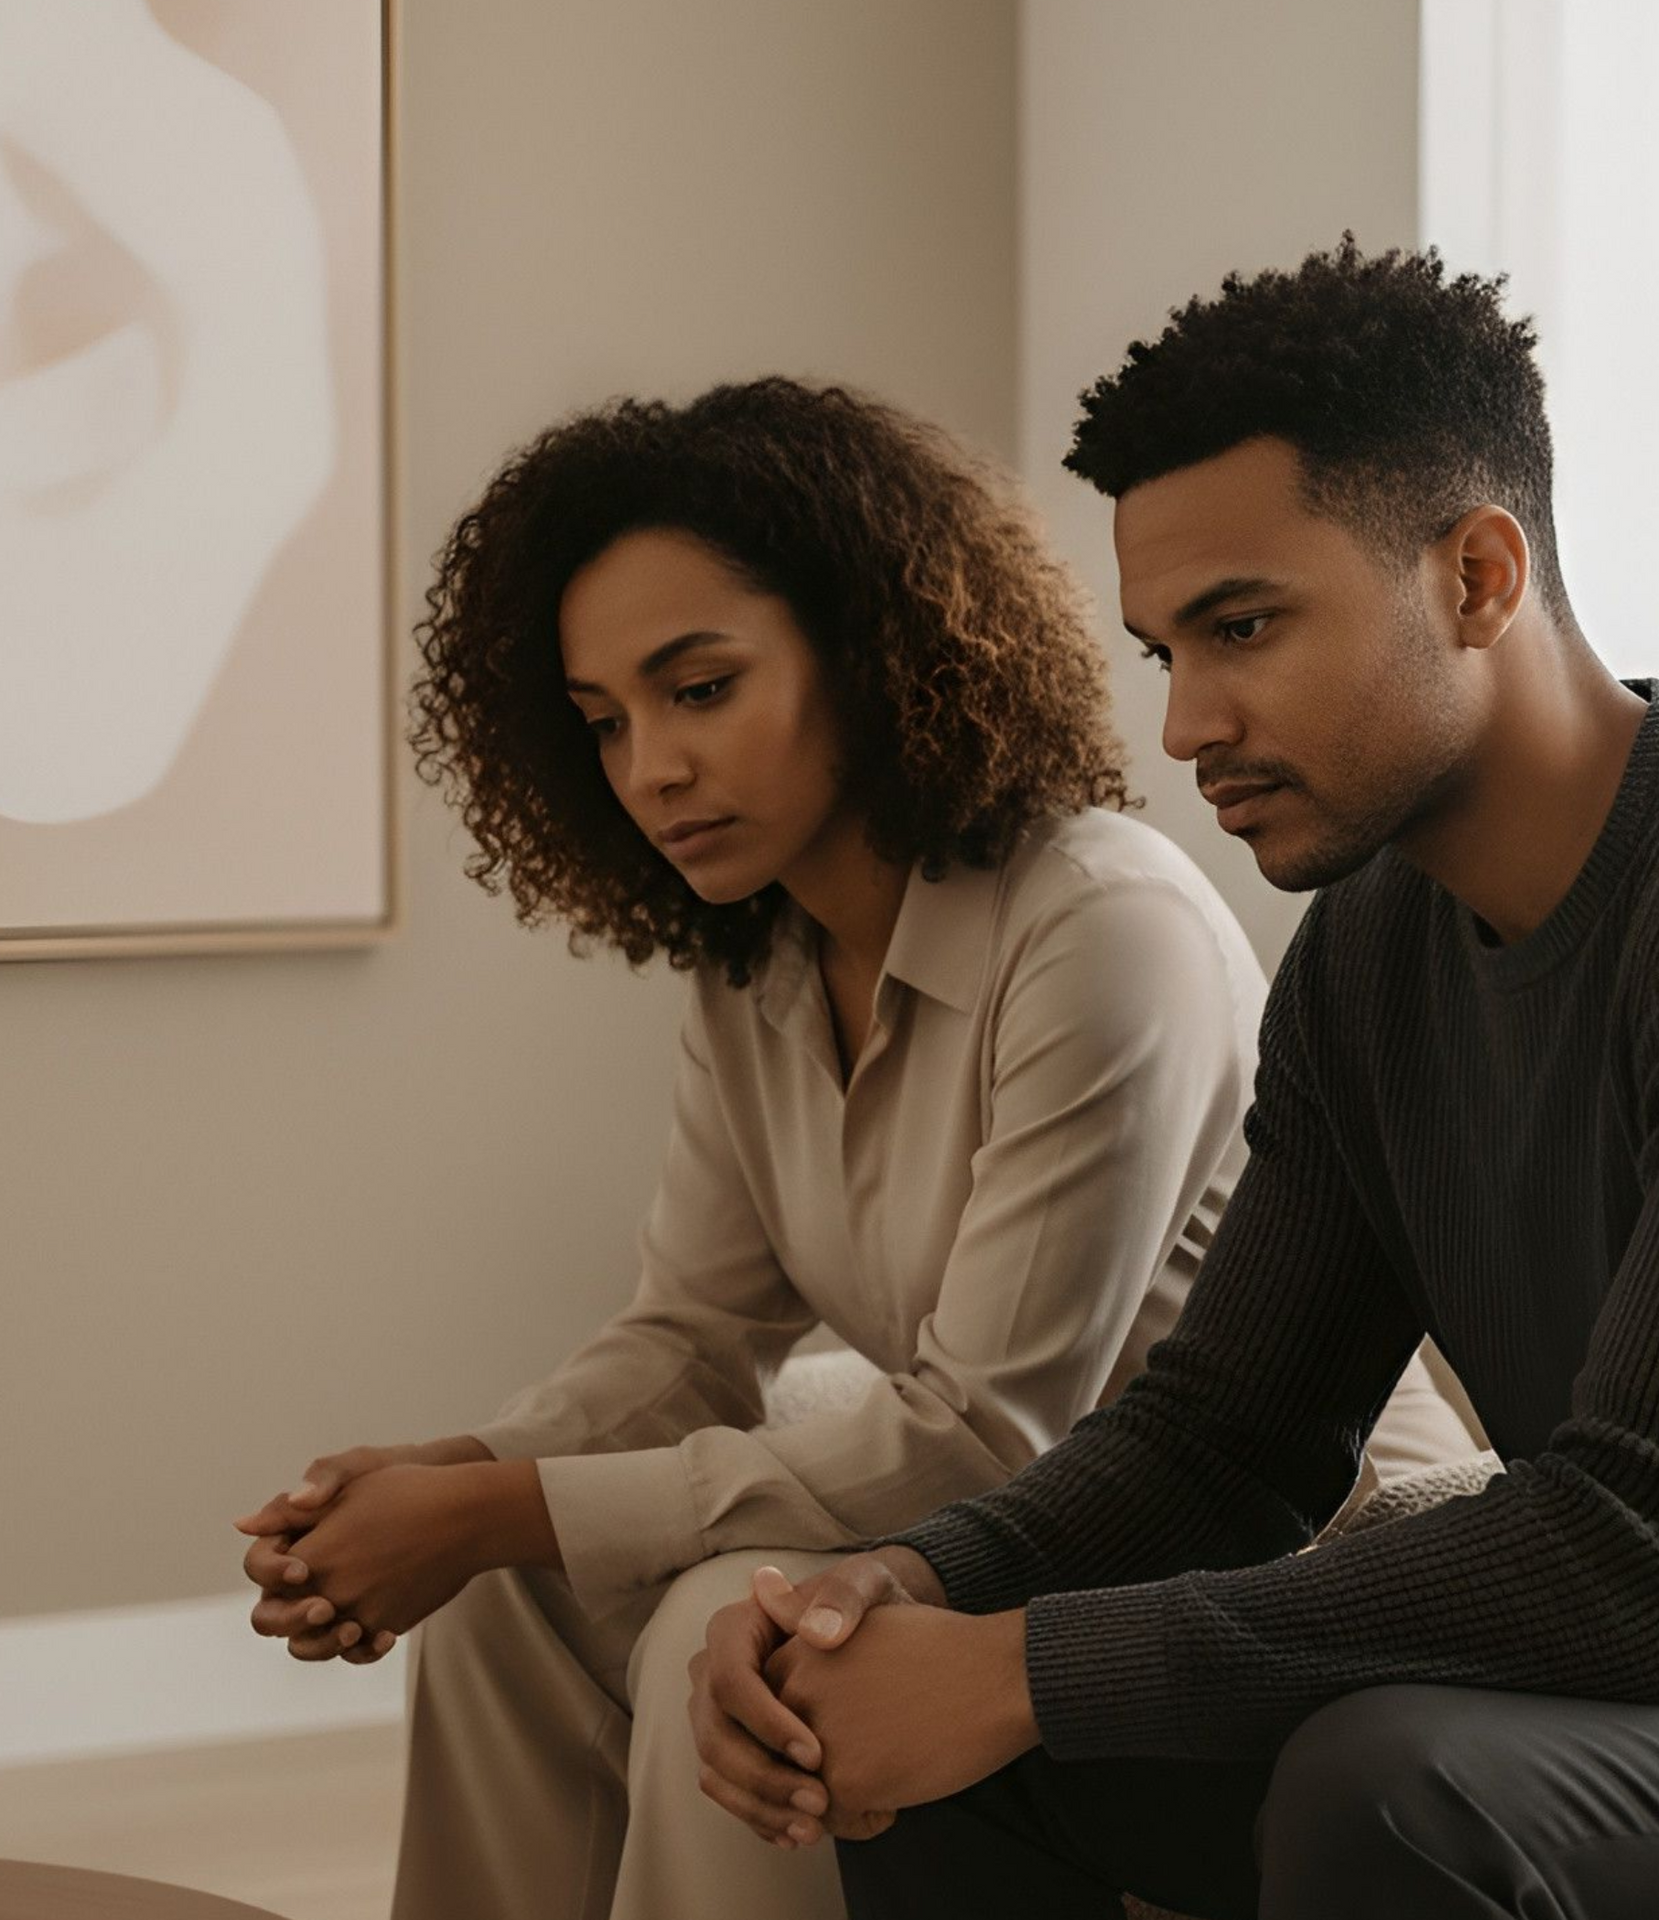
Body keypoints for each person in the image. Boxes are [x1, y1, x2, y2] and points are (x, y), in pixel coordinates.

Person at [689, 241, 1659, 1918]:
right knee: (923, 1735)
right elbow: (1228, 1441)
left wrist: (1030, 1666)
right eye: (1164, 652)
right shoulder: (1365, 956)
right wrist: (905, 1591)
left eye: (1245, 626)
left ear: (1479, 578)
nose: (1188, 723)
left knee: (1395, 1786)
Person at [228, 376, 1481, 1920]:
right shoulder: (754, 961)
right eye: (605, 723)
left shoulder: (1103, 922)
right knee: (506, 1605)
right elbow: (692, 1332)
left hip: (1235, 1543)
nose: (651, 771)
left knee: (720, 1626)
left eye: (699, 690)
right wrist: (474, 1474)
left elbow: (992, 1433)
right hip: (988, 1508)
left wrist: (496, 1507)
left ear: (875, 650)